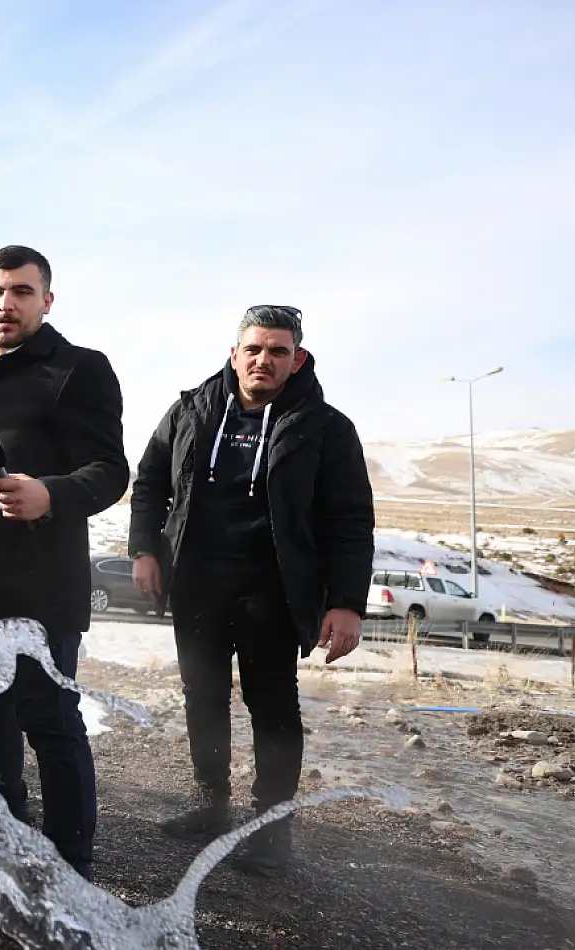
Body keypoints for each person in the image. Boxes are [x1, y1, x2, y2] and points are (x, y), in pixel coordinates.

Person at [129, 305, 373, 877]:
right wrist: (145, 549)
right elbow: (149, 482)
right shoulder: (190, 409)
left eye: (278, 351)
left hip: (273, 592)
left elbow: (350, 521)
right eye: (255, 349)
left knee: (273, 706)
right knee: (203, 697)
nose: (264, 360)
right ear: (235, 352)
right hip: (196, 584)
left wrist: (346, 603)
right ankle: (210, 805)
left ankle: (270, 831)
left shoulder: (326, 427)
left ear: (298, 358)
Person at [0, 246, 128, 879]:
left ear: (47, 299)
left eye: (20, 291)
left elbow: (110, 471)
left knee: (50, 724)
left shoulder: (78, 369)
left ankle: (73, 865)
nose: (5, 303)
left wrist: (51, 494)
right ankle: (7, 838)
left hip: (41, 590)